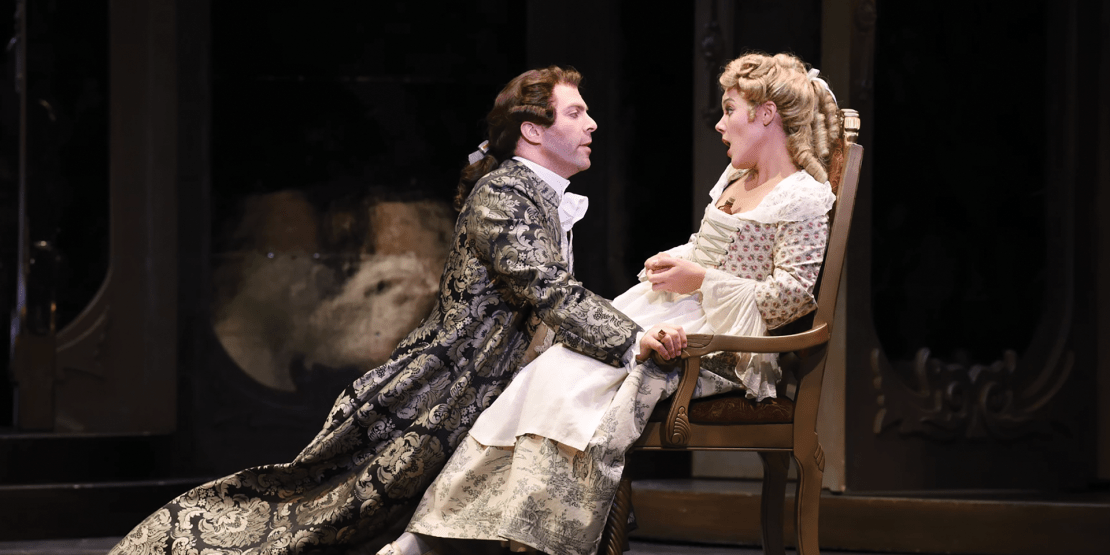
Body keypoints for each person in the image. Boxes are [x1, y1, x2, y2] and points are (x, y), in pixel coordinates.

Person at [108, 66, 670, 555]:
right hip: (446, 385)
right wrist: (630, 339)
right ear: (532, 129)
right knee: (327, 514)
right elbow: (543, 285)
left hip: (497, 384)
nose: (591, 123)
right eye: (575, 112)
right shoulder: (504, 193)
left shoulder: (540, 198)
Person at [384, 52, 846, 555]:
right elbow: (709, 247)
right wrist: (681, 262)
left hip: (722, 347)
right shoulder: (736, 183)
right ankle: (452, 533)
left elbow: (795, 297)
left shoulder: (801, 196)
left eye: (729, 109)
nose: (719, 124)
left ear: (765, 114)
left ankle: (545, 538)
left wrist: (703, 279)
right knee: (551, 371)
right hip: (675, 314)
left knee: (580, 385)